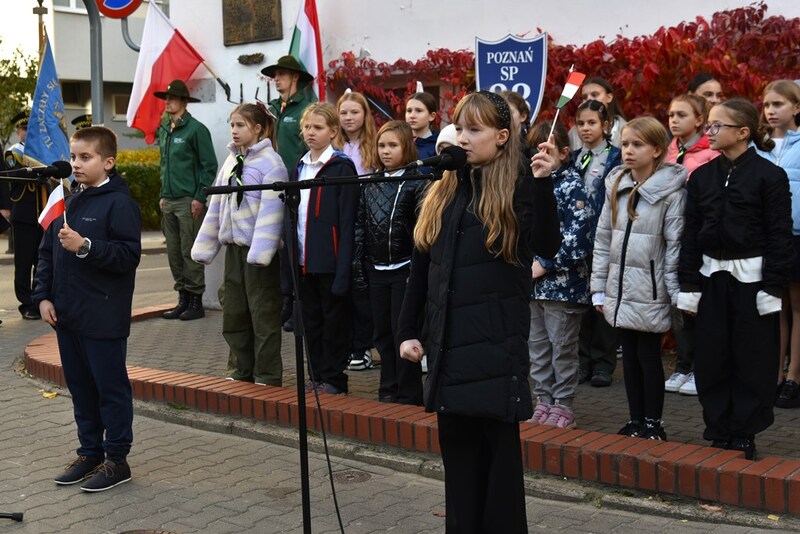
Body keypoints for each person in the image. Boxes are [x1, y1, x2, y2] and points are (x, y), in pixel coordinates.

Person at [397, 91, 561, 533]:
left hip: (494, 352)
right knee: (461, 477)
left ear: (503, 137)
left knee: (499, 480)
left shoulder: (519, 188)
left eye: (475, 130)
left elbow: (546, 244)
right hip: (449, 352)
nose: (463, 138)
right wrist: (408, 329)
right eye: (460, 128)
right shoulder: (443, 192)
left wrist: (544, 184)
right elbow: (421, 270)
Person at [678, 98, 792, 460]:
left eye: (716, 126)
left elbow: (779, 234)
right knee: (712, 356)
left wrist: (772, 287)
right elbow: (691, 233)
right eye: (708, 125)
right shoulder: (701, 177)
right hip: (711, 279)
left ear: (742, 132)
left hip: (753, 282)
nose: (708, 132)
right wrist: (690, 285)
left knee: (752, 357)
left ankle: (745, 429)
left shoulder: (769, 176)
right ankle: (719, 426)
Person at [33, 126, 141, 492]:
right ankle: (90, 452)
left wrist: (85, 246)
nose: (76, 164)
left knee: (109, 389)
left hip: (102, 315)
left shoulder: (119, 203)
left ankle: (116, 460)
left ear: (108, 162)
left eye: (85, 157)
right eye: (74, 156)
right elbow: (46, 252)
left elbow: (128, 256)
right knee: (80, 388)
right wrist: (43, 296)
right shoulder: (68, 199)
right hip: (68, 315)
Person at [591, 117, 687, 441]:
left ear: (657, 149)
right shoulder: (616, 184)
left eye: (637, 145)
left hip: (650, 287)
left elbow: (674, 244)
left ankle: (653, 422)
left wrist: (674, 293)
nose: (628, 151)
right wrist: (598, 288)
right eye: (625, 144)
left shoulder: (671, 192)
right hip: (619, 286)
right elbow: (603, 239)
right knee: (628, 357)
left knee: (648, 356)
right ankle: (634, 420)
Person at [191, 103, 286, 386]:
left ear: (257, 129)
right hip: (234, 251)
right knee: (233, 311)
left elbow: (273, 213)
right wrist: (206, 245)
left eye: (240, 125)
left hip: (259, 254)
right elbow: (217, 206)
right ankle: (239, 369)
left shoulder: (272, 164)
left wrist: (261, 253)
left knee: (263, 314)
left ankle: (267, 374)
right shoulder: (231, 162)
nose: (234, 131)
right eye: (232, 125)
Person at [282, 102, 359, 395]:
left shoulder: (341, 167)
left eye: (318, 127)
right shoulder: (299, 168)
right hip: (304, 260)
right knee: (311, 321)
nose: (310, 133)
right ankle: (316, 374)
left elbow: (349, 223)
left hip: (330, 261)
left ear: (333, 131)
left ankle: (334, 378)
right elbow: (293, 218)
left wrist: (344, 269)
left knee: (334, 322)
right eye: (307, 127)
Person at [527, 121, 593, 429]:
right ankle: (543, 399)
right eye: (534, 151)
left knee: (562, 348)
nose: (539, 156)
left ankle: (563, 403)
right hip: (533, 288)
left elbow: (578, 238)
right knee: (538, 348)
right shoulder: (529, 186)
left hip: (563, 288)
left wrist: (546, 262)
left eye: (547, 150)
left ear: (564, 153)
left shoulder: (572, 186)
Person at [353, 120, 423, 404]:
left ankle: (409, 392)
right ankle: (388, 388)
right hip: (376, 270)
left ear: (407, 146)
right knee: (382, 332)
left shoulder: (418, 182)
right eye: (382, 145)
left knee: (402, 331)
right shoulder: (370, 184)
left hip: (404, 269)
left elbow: (422, 230)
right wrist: (359, 266)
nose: (385, 151)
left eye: (393, 145)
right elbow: (360, 226)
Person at [663, 93, 719, 396]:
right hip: (671, 237)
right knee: (679, 304)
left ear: (699, 120)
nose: (674, 120)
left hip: (697, 237)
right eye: (671, 114)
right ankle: (684, 364)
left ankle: (701, 367)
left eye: (682, 115)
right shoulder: (668, 151)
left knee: (700, 304)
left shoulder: (711, 153)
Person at [753, 80, 800, 408]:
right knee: (776, 305)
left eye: (779, 104)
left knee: (797, 304)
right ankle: (775, 375)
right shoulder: (759, 145)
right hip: (767, 235)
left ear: (796, 108)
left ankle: (795, 375)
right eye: (767, 105)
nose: (771, 110)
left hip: (796, 234)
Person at [569, 99, 622, 388]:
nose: (586, 128)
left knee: (601, 303)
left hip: (603, 240)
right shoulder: (574, 157)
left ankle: (603, 363)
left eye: (592, 123)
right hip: (578, 242)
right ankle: (583, 361)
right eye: (581, 123)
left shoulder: (616, 157)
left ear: (606, 125)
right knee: (580, 304)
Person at [154, 79, 218, 321]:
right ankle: (182, 298)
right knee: (173, 252)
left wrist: (199, 197)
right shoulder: (165, 129)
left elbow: (208, 165)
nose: (168, 102)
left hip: (188, 200)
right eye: (166, 98)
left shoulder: (195, 129)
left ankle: (195, 301)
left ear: (183, 101)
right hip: (169, 200)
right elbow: (164, 166)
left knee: (190, 250)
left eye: (172, 98)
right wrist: (162, 194)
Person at [263, 55, 315, 333]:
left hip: (298, 187)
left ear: (295, 77)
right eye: (275, 75)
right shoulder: (272, 109)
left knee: (298, 246)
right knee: (281, 247)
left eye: (282, 74)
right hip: (274, 186)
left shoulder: (307, 108)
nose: (277, 79)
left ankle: (299, 303)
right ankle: (286, 299)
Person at [335, 91, 378, 371]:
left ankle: (364, 346)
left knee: (365, 288)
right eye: (344, 113)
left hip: (368, 222)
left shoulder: (374, 145)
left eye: (355, 112)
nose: (349, 118)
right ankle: (351, 345)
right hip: (340, 221)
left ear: (365, 115)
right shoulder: (334, 145)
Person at [0, 110, 47, 320]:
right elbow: (19, 174)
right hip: (24, 214)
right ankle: (25, 303)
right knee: (24, 261)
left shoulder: (44, 151)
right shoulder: (13, 153)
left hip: (44, 212)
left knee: (42, 260)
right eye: (24, 129)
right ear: (18, 132)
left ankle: (40, 299)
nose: (28, 132)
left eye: (32, 128)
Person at [568, 77, 627, 150]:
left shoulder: (625, 129)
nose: (589, 99)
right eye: (584, 97)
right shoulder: (574, 132)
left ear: (609, 97)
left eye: (595, 95)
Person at [405, 92, 439, 163]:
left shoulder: (438, 145)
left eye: (418, 111)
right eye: (409, 111)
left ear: (432, 116)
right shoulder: (399, 143)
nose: (412, 115)